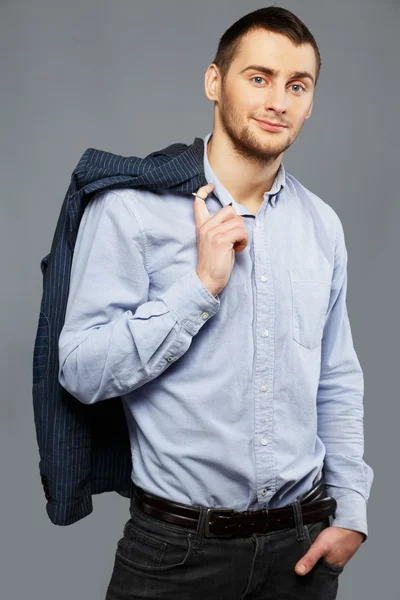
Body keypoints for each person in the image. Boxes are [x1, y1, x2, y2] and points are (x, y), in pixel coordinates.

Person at [58, 6, 374, 599]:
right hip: (175, 554)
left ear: (310, 102)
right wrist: (199, 288)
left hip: (299, 552)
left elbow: (336, 375)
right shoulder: (131, 210)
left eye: (297, 85)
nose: (278, 100)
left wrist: (351, 507)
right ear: (214, 82)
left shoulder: (322, 226)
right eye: (258, 77)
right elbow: (80, 370)